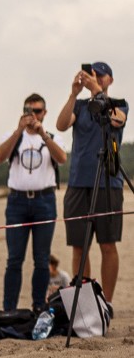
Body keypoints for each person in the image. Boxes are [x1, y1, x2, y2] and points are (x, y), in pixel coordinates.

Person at [56, 61, 128, 307]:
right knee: (79, 246)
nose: (94, 78)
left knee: (108, 244)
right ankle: (85, 302)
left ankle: (106, 302)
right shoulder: (79, 105)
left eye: (100, 75)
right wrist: (73, 93)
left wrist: (97, 91)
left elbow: (117, 120)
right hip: (78, 184)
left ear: (110, 79)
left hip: (109, 183)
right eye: (92, 74)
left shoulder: (119, 104)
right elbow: (61, 124)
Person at [0, 93, 67, 312]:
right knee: (14, 259)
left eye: (37, 111)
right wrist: (18, 131)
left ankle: (38, 306)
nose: (32, 115)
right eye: (28, 110)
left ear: (44, 113)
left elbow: (62, 159)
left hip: (44, 201)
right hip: (17, 201)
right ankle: (9, 309)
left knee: (42, 258)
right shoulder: (13, 135)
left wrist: (43, 134)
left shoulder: (52, 136)